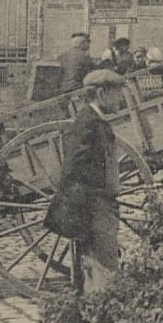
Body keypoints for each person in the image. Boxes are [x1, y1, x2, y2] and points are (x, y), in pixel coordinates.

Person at [59, 69, 126, 293]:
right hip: (95, 204)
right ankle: (103, 311)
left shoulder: (94, 119)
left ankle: (93, 309)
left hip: (98, 202)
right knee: (105, 264)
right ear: (102, 93)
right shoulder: (88, 122)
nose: (121, 98)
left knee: (95, 265)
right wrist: (90, 201)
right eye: (117, 93)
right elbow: (73, 167)